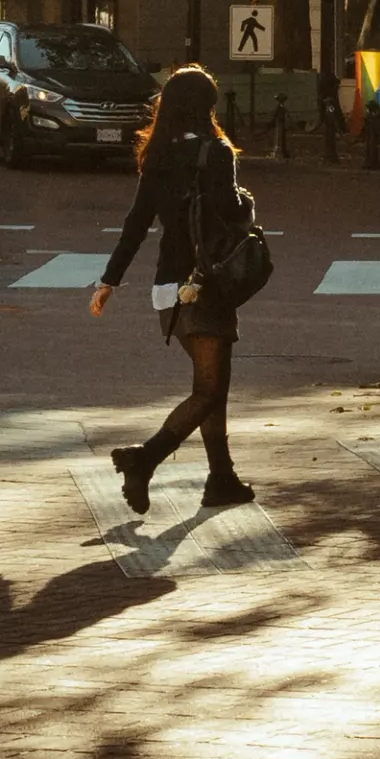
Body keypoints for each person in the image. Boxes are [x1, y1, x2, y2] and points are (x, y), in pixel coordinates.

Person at [88, 66, 257, 512]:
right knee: (209, 390)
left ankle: (221, 477)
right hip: (207, 283)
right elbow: (228, 210)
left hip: (168, 288)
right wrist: (246, 202)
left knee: (213, 385)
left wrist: (109, 281)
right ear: (206, 107)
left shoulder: (158, 154)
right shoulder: (216, 152)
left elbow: (136, 224)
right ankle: (144, 459)